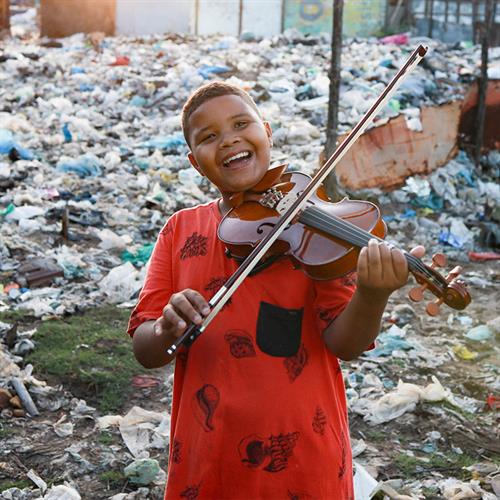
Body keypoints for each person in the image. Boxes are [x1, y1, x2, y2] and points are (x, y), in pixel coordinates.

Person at [128, 81, 424, 499]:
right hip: (207, 456)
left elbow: (345, 342)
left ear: (266, 132)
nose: (228, 139)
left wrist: (372, 295)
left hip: (303, 453)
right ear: (196, 163)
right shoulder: (180, 231)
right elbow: (145, 349)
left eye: (240, 124)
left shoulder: (316, 231)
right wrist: (165, 329)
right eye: (209, 137)